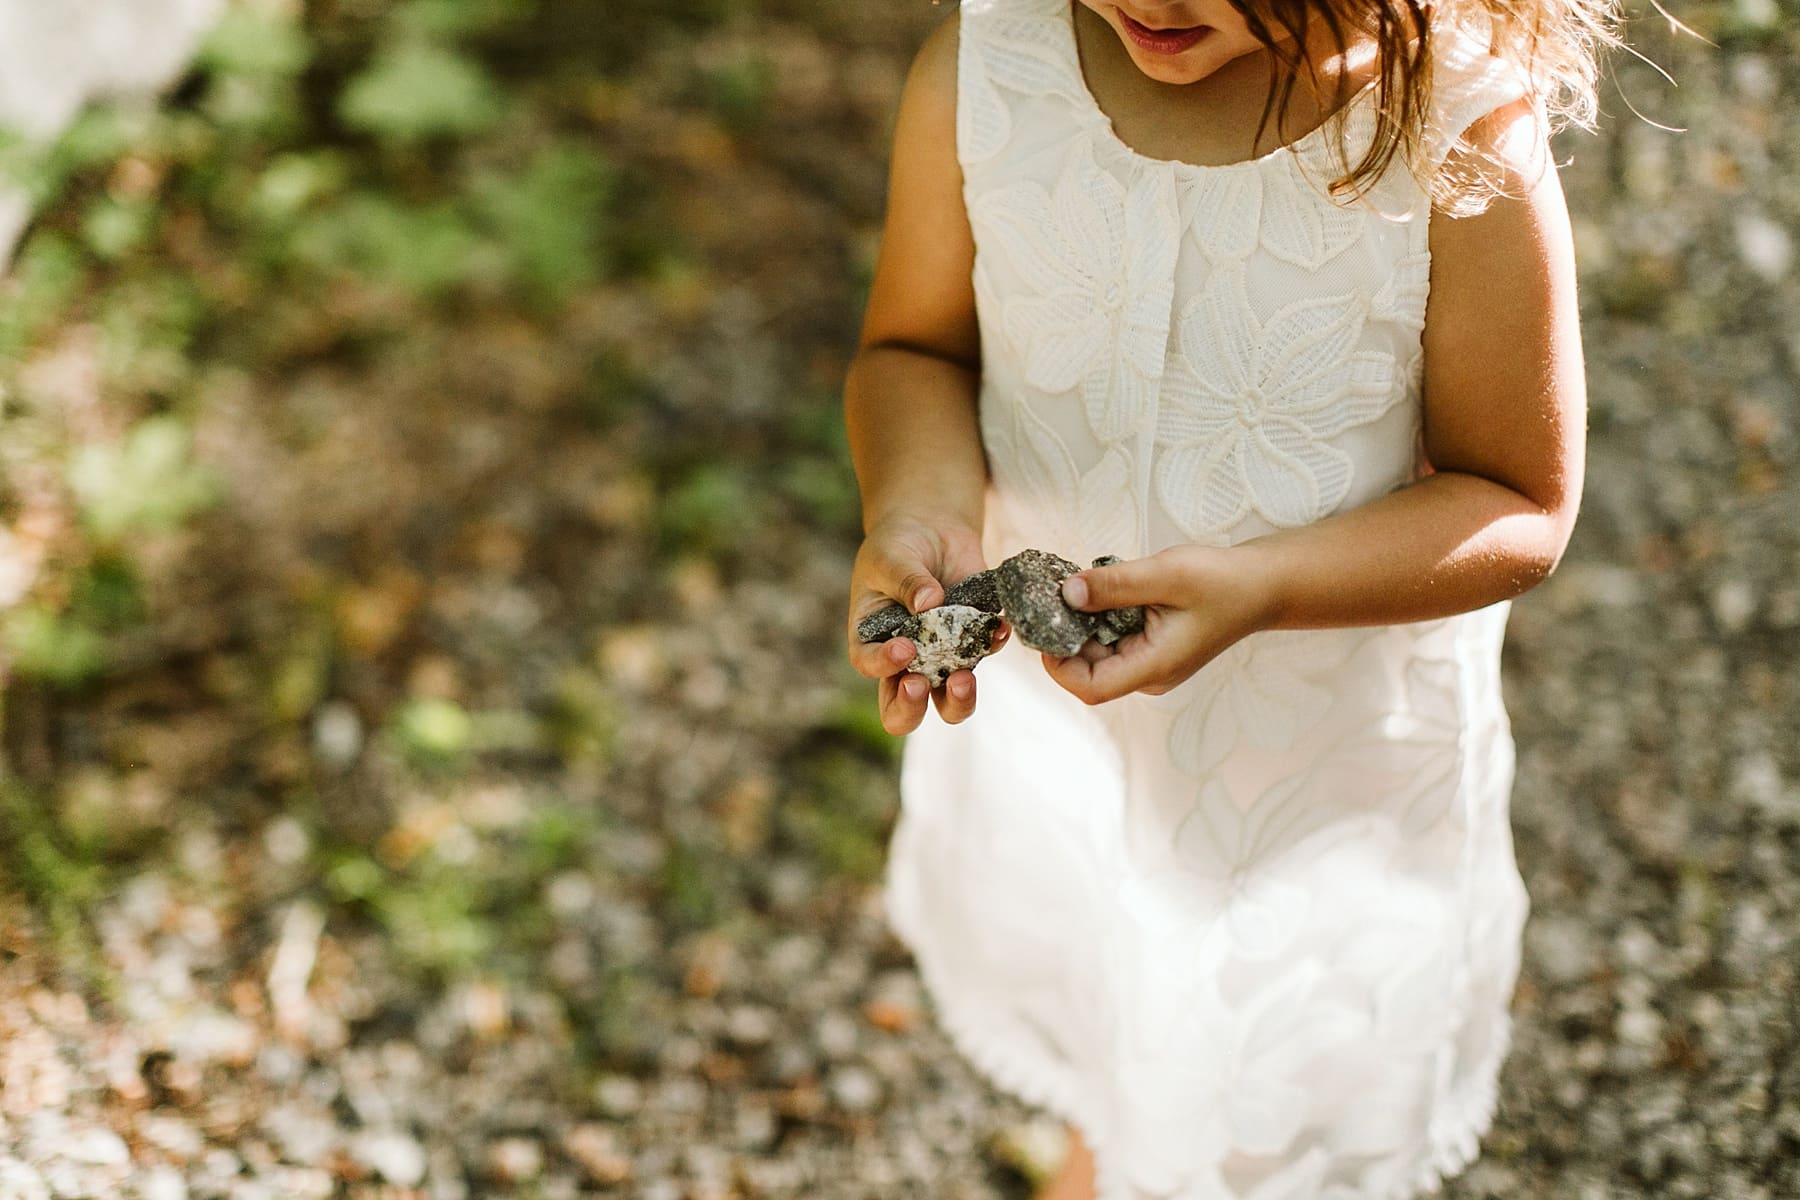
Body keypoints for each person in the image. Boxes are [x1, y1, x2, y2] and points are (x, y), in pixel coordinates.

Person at [842, 0, 1617, 1195]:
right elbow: (917, 351)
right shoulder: (992, 66)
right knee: (1112, 995)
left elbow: (1515, 494)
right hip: (1069, 741)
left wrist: (1262, 588)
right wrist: (922, 512)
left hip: (1310, 775)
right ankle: (1114, 1147)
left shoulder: (1457, 134)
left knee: (1260, 1102)